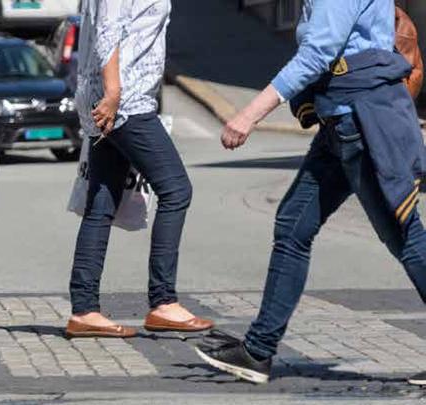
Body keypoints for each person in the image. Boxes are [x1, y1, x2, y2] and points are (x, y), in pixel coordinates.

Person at [196, 0, 426, 385]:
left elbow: (317, 54)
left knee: (405, 235)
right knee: (293, 226)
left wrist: (248, 114)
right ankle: (257, 351)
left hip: (360, 122)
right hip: (338, 124)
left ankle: (258, 349)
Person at [65, 0, 213, 339]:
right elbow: (107, 32)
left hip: (111, 97)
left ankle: (85, 309)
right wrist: (114, 93)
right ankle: (163, 301)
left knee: (101, 203)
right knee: (176, 189)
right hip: (124, 101)